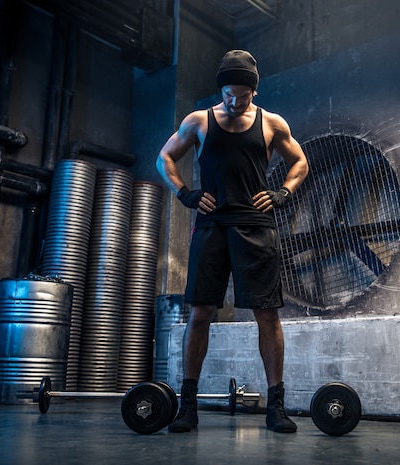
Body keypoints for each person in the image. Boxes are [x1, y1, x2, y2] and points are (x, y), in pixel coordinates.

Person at [156, 50, 309, 433]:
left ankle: (276, 407)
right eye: (228, 93)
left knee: (267, 314)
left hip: (257, 227)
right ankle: (186, 406)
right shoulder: (199, 121)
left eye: (242, 94)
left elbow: (300, 162)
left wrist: (283, 193)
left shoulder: (272, 123)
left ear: (253, 91)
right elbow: (165, 159)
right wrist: (186, 194)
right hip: (211, 227)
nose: (235, 101)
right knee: (200, 313)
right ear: (220, 88)